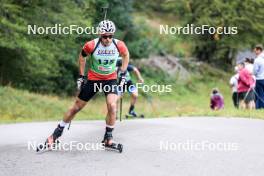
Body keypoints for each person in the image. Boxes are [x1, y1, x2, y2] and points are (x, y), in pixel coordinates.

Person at [42, 20, 129, 149]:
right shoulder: (91, 45)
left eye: (111, 36)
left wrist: (123, 72)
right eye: (105, 36)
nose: (108, 39)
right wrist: (81, 76)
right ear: (100, 34)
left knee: (112, 105)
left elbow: (126, 55)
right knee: (76, 108)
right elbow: (82, 57)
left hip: (110, 79)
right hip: (94, 79)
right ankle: (55, 135)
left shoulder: (119, 45)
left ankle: (108, 138)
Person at [253, 44, 264, 109]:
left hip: (259, 79)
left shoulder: (257, 60)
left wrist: (254, 73)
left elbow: (255, 71)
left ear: (259, 50)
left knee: (259, 94)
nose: (255, 52)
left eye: (255, 50)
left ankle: (260, 107)